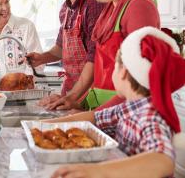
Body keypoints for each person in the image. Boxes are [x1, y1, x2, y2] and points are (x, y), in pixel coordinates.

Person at [49, 27, 185, 178]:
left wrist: (98, 171)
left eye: (114, 66)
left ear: (123, 72)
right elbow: (94, 118)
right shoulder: (129, 108)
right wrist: (45, 125)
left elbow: (163, 160)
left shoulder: (150, 116)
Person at [44, 0, 160, 111]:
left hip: (122, 116)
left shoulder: (139, 6)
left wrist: (91, 116)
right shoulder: (111, 7)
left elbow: (140, 87)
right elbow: (99, 71)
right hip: (103, 110)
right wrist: (75, 102)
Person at [26, 0, 105, 110]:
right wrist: (42, 58)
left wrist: (72, 97)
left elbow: (95, 58)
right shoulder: (66, 9)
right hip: (70, 92)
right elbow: (61, 49)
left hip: (89, 95)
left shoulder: (94, 4)